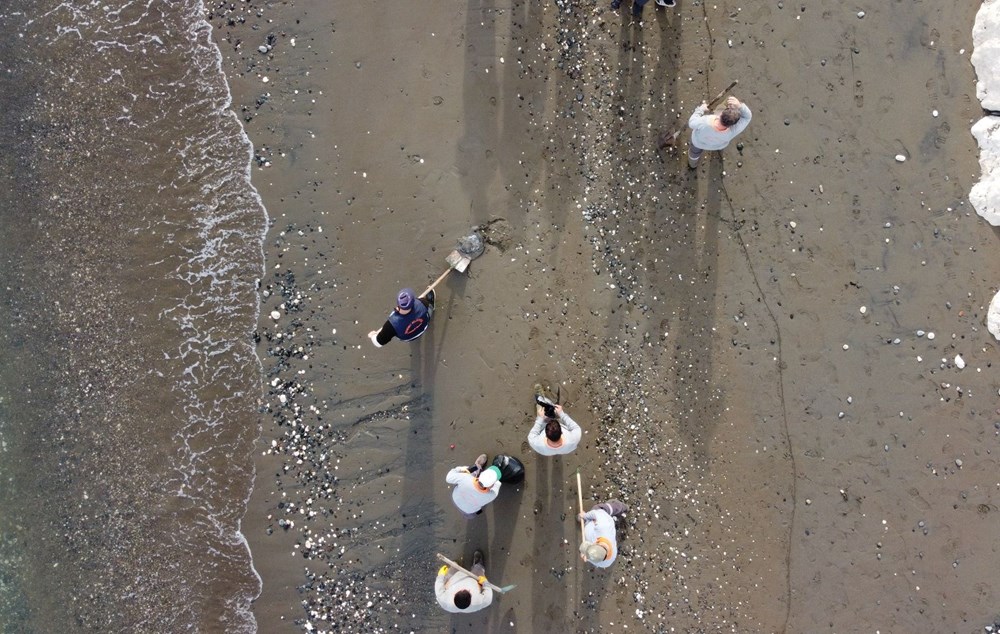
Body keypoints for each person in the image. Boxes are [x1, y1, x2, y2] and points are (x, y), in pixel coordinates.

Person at [687, 95, 752, 169]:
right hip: (717, 145)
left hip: (698, 143)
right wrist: (740, 106)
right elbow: (747, 117)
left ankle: (692, 165)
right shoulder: (733, 131)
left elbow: (691, 123)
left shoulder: (704, 122)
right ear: (733, 124)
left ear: (720, 114)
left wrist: (701, 109)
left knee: (694, 153)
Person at [367, 288, 434, 347]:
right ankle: (431, 303)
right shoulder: (422, 303)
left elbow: (378, 343)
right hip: (423, 326)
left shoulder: (391, 325)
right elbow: (421, 304)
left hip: (408, 338)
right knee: (429, 307)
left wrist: (373, 336)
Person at [527, 387, 582, 456]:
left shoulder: (537, 443)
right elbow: (576, 428)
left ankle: (541, 401)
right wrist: (562, 414)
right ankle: (554, 411)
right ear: (561, 432)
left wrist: (540, 418)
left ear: (546, 435)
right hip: (566, 450)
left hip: (546, 451)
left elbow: (532, 435)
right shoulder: (573, 440)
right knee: (553, 412)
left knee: (541, 409)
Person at [578, 499, 628, 568]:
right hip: (598, 520)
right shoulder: (603, 525)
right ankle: (621, 507)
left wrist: (585, 556)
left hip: (599, 520)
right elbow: (595, 513)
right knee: (595, 511)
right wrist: (585, 516)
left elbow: (596, 513)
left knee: (594, 512)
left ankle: (622, 507)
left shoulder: (604, 563)